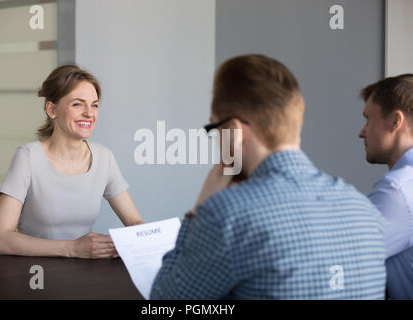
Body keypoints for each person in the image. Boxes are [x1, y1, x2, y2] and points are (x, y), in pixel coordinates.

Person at [150, 54, 386, 299]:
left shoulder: (226, 214)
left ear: (234, 131)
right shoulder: (365, 211)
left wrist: (197, 212)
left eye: (214, 128)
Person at [0, 65, 144, 259]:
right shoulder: (28, 157)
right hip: (34, 275)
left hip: (83, 275)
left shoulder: (104, 158)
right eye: (78, 104)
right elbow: (0, 240)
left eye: (94, 105)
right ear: (52, 109)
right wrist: (72, 249)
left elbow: (134, 220)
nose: (90, 113)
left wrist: (137, 234)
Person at [358, 74, 413, 299]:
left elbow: (344, 257)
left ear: (395, 121)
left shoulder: (398, 190)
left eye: (368, 119)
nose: (362, 132)